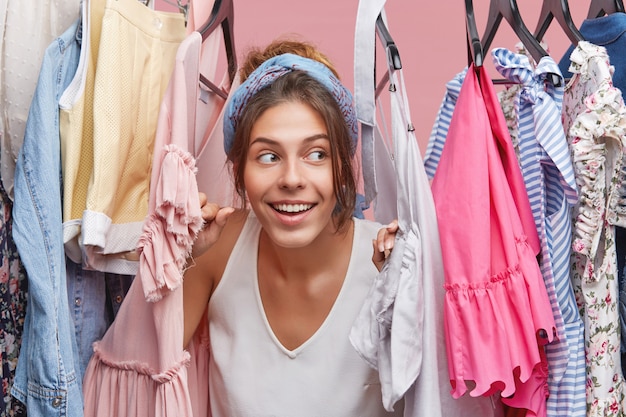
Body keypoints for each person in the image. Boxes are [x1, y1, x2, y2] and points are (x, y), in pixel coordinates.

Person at [182, 38, 401, 416]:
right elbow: (140, 371)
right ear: (239, 170)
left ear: (343, 165)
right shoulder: (216, 248)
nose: (292, 179)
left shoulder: (392, 263)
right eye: (268, 156)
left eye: (316, 153)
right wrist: (171, 260)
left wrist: (403, 303)